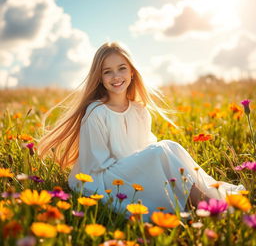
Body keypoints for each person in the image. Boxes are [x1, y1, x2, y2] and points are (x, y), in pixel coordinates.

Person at [38, 41, 244, 220]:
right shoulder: (96, 113)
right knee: (161, 151)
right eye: (107, 71)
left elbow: (146, 149)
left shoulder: (140, 110)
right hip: (101, 178)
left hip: (131, 171)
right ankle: (206, 206)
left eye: (121, 68)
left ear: (132, 71)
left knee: (170, 146)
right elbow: (96, 165)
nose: (116, 76)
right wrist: (141, 166)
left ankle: (201, 200)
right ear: (99, 77)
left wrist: (144, 165)